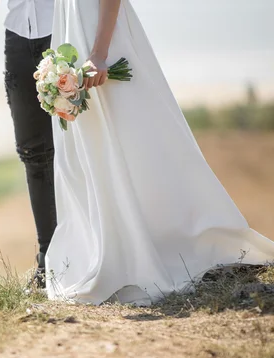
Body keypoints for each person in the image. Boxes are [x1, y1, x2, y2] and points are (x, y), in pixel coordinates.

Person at [45, 0, 274, 305]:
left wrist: (99, 54)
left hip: (99, 38)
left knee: (134, 137)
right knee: (97, 145)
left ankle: (160, 244)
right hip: (75, 28)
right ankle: (112, 244)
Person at [0, 0, 57, 287]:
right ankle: (49, 263)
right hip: (18, 35)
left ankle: (89, 251)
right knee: (33, 151)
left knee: (78, 149)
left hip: (65, 32)